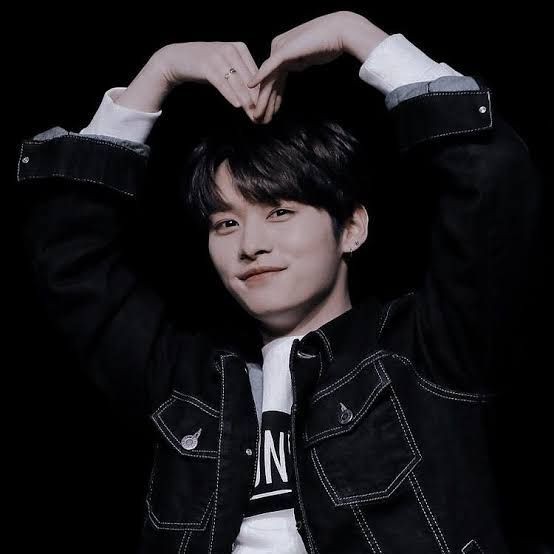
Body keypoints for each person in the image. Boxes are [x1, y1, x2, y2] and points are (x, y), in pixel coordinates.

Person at [16, 10, 542, 554]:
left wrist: (358, 35)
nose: (250, 245)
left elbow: (491, 184)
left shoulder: (425, 353)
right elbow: (70, 257)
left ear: (352, 228)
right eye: (225, 223)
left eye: (280, 212)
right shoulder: (185, 380)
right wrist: (158, 73)